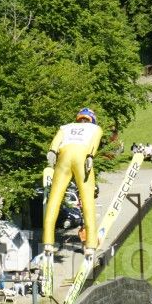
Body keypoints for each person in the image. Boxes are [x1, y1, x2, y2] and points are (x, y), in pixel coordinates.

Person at [43, 108, 103, 256]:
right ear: (92, 119)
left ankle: (48, 241)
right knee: (87, 201)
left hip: (63, 157)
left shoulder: (66, 127)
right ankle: (90, 244)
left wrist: (52, 151)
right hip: (82, 156)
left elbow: (56, 142)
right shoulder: (95, 128)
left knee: (54, 199)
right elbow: (94, 142)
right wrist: (90, 156)